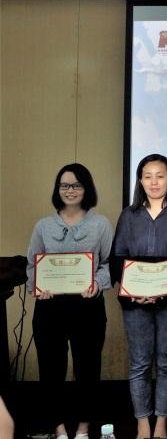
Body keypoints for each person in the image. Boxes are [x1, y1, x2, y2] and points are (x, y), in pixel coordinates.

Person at [110, 154, 167, 439]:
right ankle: (142, 423)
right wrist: (135, 290)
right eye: (147, 176)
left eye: (160, 176)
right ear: (140, 180)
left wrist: (164, 290)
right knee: (139, 363)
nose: (154, 182)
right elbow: (117, 258)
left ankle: (161, 423)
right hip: (135, 301)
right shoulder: (129, 215)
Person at [25, 164, 112, 439]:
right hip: (50, 308)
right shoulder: (43, 226)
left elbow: (109, 263)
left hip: (88, 308)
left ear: (86, 189)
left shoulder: (100, 224)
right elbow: (32, 265)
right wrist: (37, 287)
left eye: (76, 185)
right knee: (51, 371)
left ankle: (84, 429)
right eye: (64, 185)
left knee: (88, 370)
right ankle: (59, 429)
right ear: (57, 189)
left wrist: (97, 283)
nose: (70, 190)